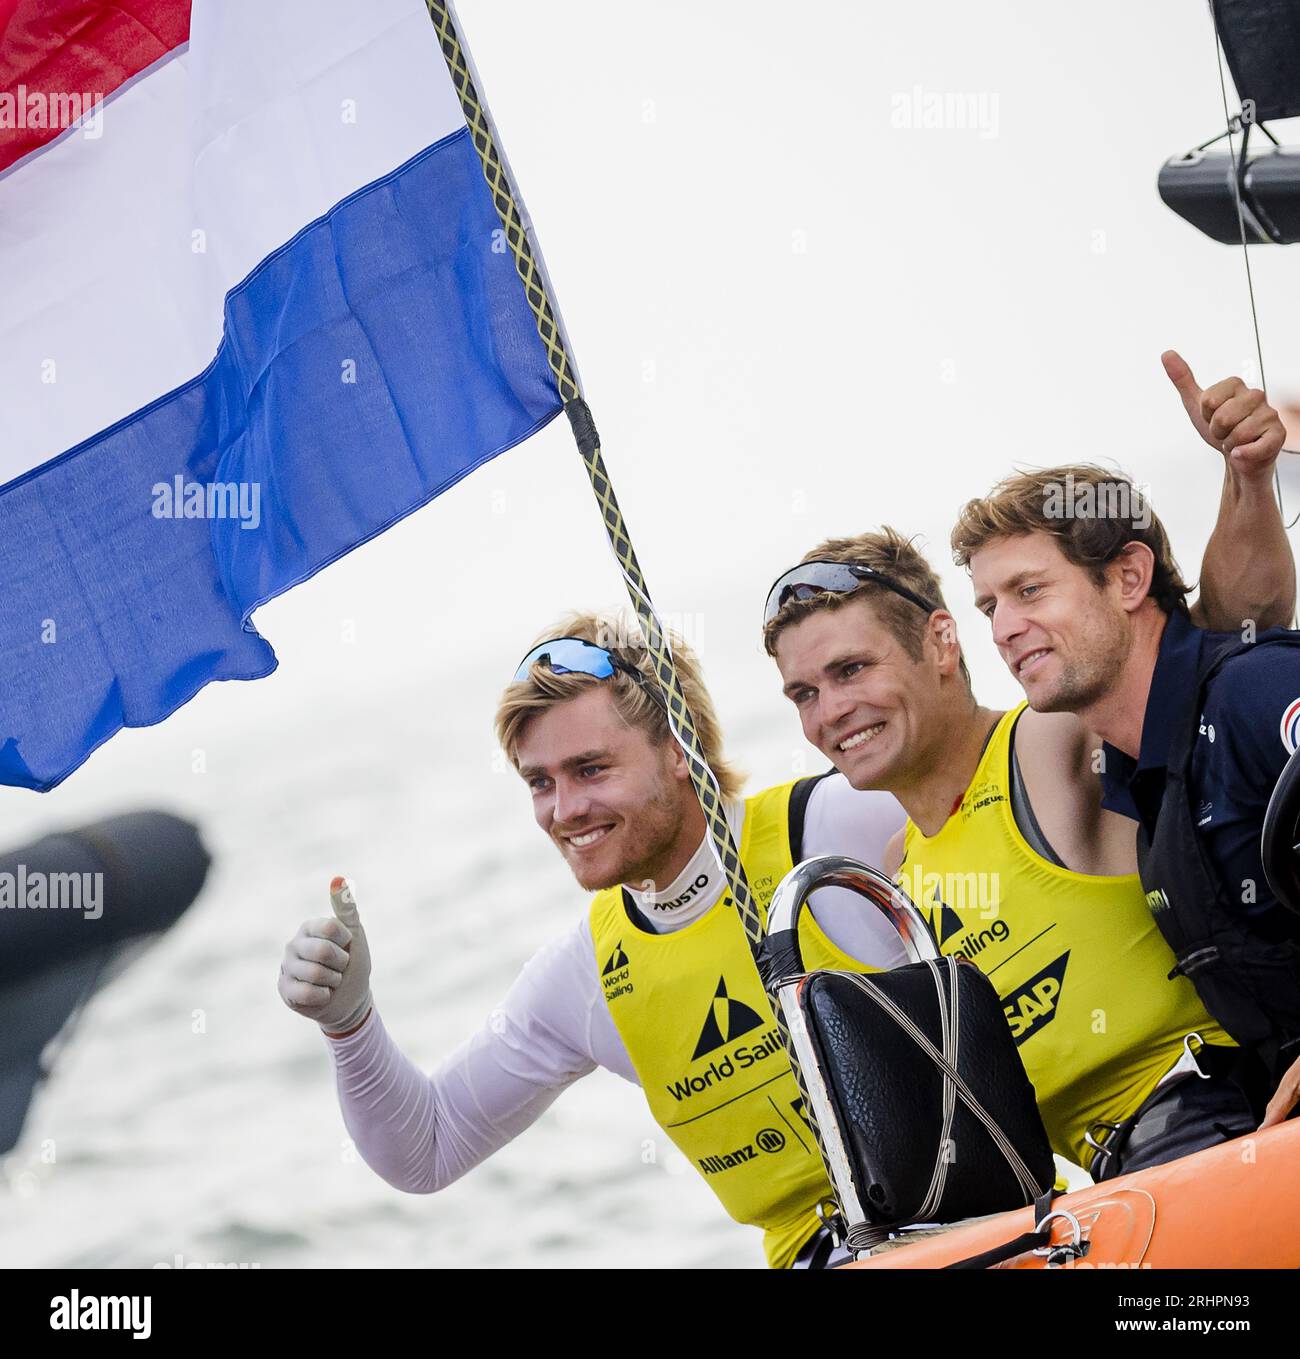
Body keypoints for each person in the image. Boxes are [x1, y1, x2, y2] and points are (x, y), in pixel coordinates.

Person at [761, 358, 1297, 1181]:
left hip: (1213, 1124)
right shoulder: (902, 880)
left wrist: (1247, 482)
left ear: (941, 642)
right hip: (1106, 1194)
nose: (830, 711)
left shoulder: (1052, 745)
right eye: (803, 692)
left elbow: (1218, 631)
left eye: (850, 671)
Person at [278, 615, 906, 1269]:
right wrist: (348, 1022)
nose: (565, 809)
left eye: (590, 769)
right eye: (540, 782)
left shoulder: (845, 820)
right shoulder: (587, 973)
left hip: (978, 1222)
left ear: (681, 749)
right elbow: (428, 1148)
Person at [952, 367, 1300, 1130]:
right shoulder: (1140, 782)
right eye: (989, 606)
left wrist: (1247, 476)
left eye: (1030, 590)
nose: (1003, 627)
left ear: (1129, 578)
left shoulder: (1249, 692)